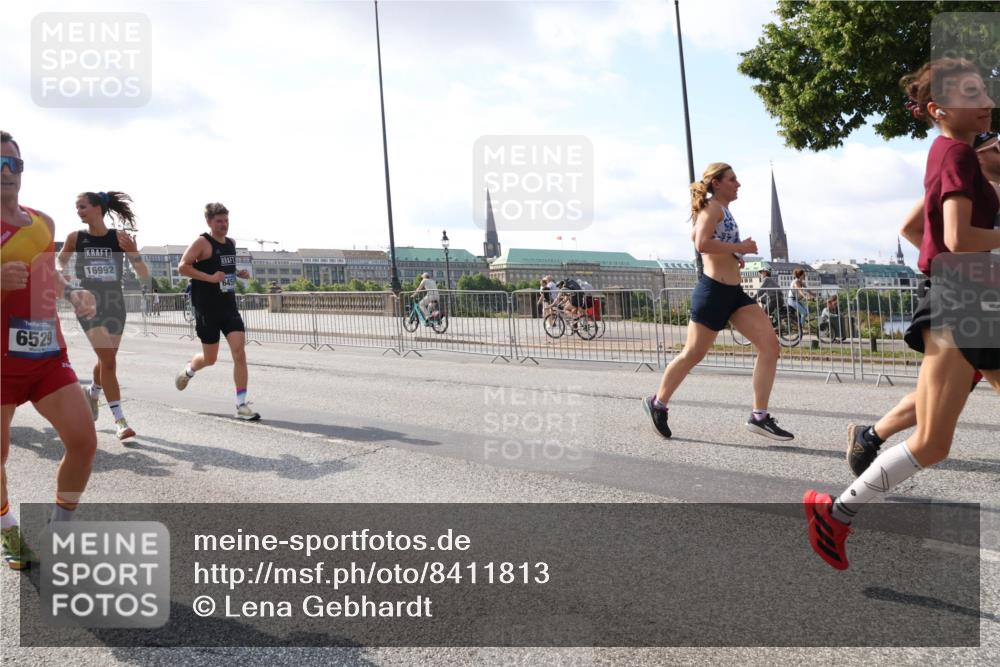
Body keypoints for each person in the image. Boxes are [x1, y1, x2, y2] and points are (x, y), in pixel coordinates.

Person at [806, 59, 1000, 570]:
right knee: (932, 442)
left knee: (933, 441)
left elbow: (919, 231)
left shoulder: (950, 155)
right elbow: (957, 239)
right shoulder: (957, 153)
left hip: (964, 297)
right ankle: (836, 513)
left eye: (986, 92)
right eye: (973, 94)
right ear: (939, 108)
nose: (987, 103)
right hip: (965, 302)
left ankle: (838, 512)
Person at [845, 129, 1000, 478]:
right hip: (972, 305)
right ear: (979, 154)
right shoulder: (967, 188)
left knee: (942, 394)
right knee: (941, 396)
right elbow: (911, 228)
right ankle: (865, 454)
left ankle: (869, 438)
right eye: (997, 145)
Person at [1, 130, 99, 569]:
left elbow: (48, 275)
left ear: (22, 171)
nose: (6, 172)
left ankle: (61, 529)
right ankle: (7, 535)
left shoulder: (42, 222)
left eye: (13, 164)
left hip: (45, 353)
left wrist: (72, 291)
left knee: (84, 441)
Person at [642, 162, 793, 441]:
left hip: (735, 294)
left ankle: (759, 416)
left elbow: (714, 245)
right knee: (693, 354)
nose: (738, 184)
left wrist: (735, 255)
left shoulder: (724, 211)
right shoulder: (711, 209)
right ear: (717, 183)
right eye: (733, 179)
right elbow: (701, 243)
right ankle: (658, 403)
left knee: (770, 346)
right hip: (713, 292)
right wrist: (740, 247)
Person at [57, 191, 149, 440]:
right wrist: (62, 276)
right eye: (77, 207)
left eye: (83, 206)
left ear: (98, 208)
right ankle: (120, 421)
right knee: (109, 361)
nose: (78, 211)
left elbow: (143, 273)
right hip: (88, 305)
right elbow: (58, 262)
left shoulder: (119, 239)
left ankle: (93, 393)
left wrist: (134, 252)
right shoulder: (75, 238)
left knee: (106, 360)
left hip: (115, 304)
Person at [174, 203, 258, 421]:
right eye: (219, 221)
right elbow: (182, 267)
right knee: (210, 359)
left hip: (228, 307)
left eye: (226, 221)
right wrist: (210, 278)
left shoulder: (231, 243)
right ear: (209, 222)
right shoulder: (202, 242)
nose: (224, 225)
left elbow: (224, 268)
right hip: (206, 308)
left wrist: (238, 273)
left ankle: (241, 404)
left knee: (239, 352)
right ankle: (189, 370)